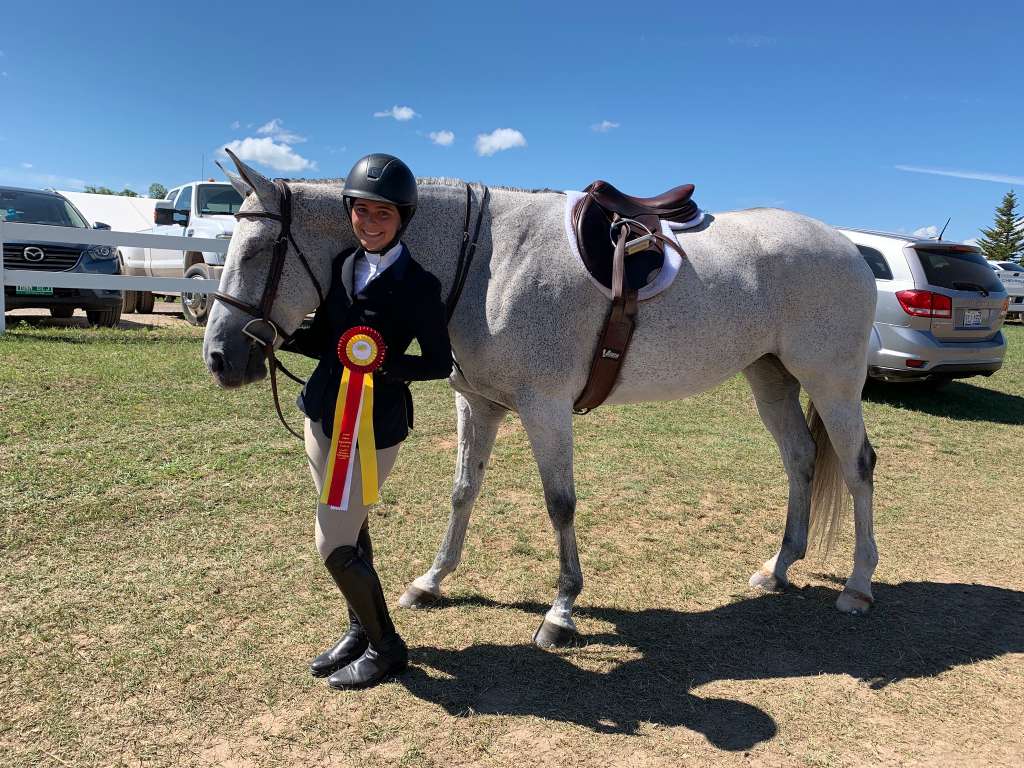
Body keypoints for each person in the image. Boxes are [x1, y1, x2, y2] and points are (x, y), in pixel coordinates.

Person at [283, 153, 452, 689]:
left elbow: (438, 362)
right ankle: (360, 629)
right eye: (362, 211)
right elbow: (330, 340)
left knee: (332, 540)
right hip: (322, 413)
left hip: (375, 426)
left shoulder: (420, 284)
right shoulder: (340, 265)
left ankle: (387, 647)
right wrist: (281, 336)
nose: (371, 222)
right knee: (351, 528)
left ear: (402, 217)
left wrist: (381, 361)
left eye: (383, 214)